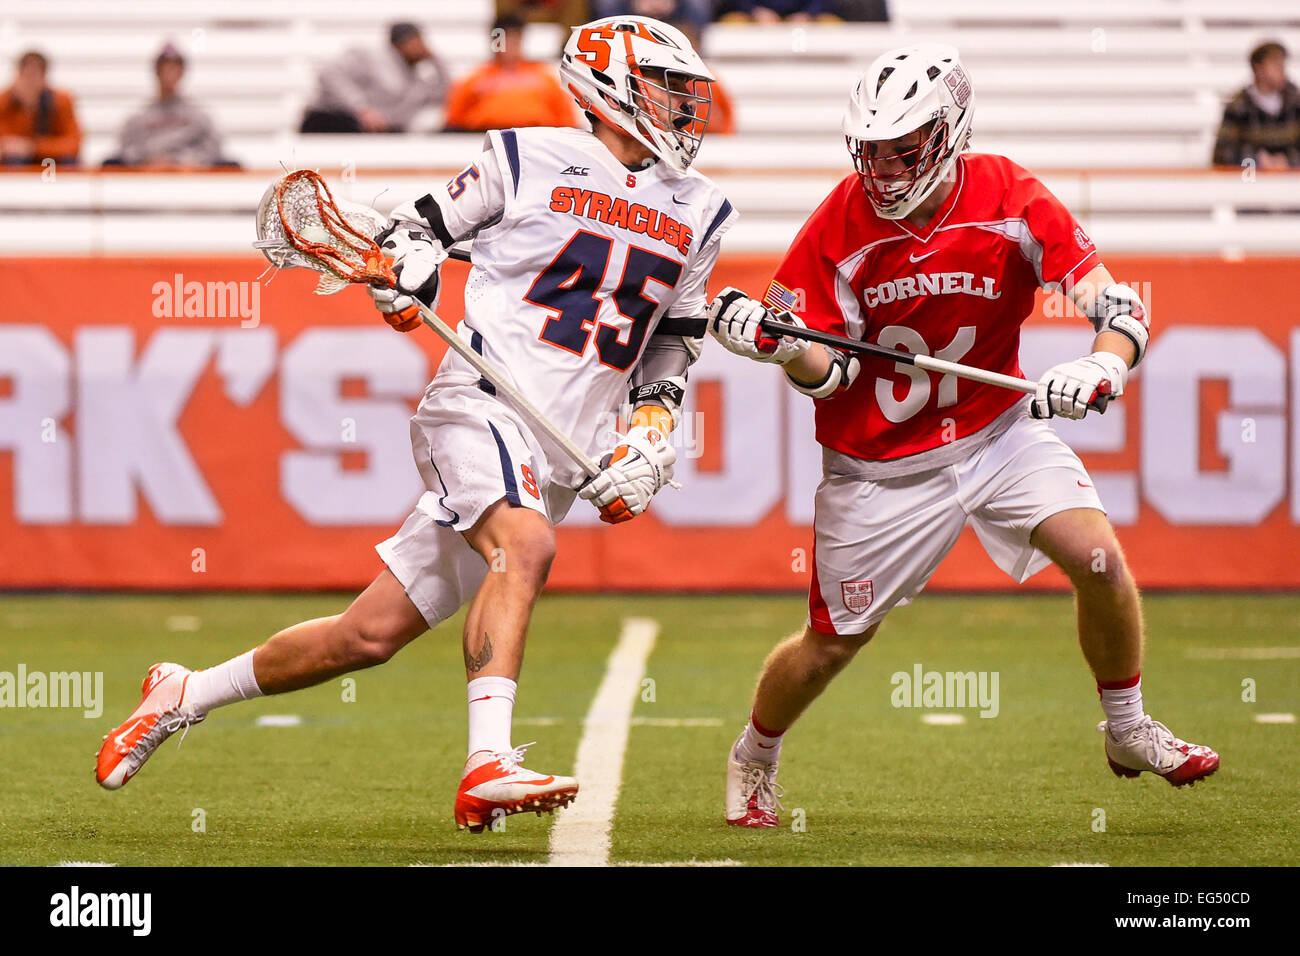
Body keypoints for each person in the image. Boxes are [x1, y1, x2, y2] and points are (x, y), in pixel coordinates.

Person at [96, 15, 736, 835]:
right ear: (611, 87)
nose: (686, 107)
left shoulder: (705, 210)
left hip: (559, 450)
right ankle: (487, 764)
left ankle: (184, 692)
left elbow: (673, 336)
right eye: (669, 88)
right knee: (527, 547)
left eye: (689, 92)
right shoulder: (525, 156)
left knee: (365, 636)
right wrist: (410, 276)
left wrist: (652, 432)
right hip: (478, 404)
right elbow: (422, 231)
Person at [706, 45, 1219, 828]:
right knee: (831, 648)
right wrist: (779, 345)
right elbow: (834, 377)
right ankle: (755, 755)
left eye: (902, 150)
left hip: (996, 432)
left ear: (950, 133)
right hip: (880, 467)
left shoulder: (1008, 194)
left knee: (1098, 557)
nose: (881, 170)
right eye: (870, 151)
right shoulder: (839, 224)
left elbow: (1121, 312)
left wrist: (1100, 370)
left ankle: (1126, 727)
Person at [301, 22, 448, 133]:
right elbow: (329, 73)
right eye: (416, 41)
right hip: (332, 119)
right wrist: (361, 108)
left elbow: (442, 95)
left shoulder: (415, 78)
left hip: (372, 131)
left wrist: (436, 60)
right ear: (402, 43)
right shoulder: (370, 57)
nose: (421, 46)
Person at [442, 14, 577, 132]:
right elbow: (453, 122)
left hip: (536, 139)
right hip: (483, 138)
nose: (508, 44)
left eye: (514, 38)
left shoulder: (544, 78)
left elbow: (567, 121)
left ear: (521, 40)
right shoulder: (474, 79)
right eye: (503, 38)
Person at [105, 43, 229, 168]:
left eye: (175, 67)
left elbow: (213, 150)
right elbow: (127, 151)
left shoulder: (199, 117)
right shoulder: (138, 119)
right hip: (146, 181)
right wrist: (148, 160)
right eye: (165, 66)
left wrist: (182, 161)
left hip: (189, 181)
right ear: (156, 71)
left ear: (182, 72)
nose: (170, 72)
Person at [1212, 40, 1300, 169]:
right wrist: (1257, 160)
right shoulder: (1238, 108)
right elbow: (1222, 154)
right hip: (1250, 184)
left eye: (1282, 64)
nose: (1281, 69)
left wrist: (1288, 160)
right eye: (1275, 64)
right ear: (1258, 69)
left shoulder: (1296, 105)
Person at [0, 50, 81, 166]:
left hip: (49, 159)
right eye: (26, 75)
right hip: (16, 162)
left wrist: (32, 147)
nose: (29, 82)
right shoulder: (4, 101)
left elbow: (73, 144)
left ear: (44, 77)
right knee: (13, 160)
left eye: (34, 75)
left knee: (68, 161)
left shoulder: (60, 101)